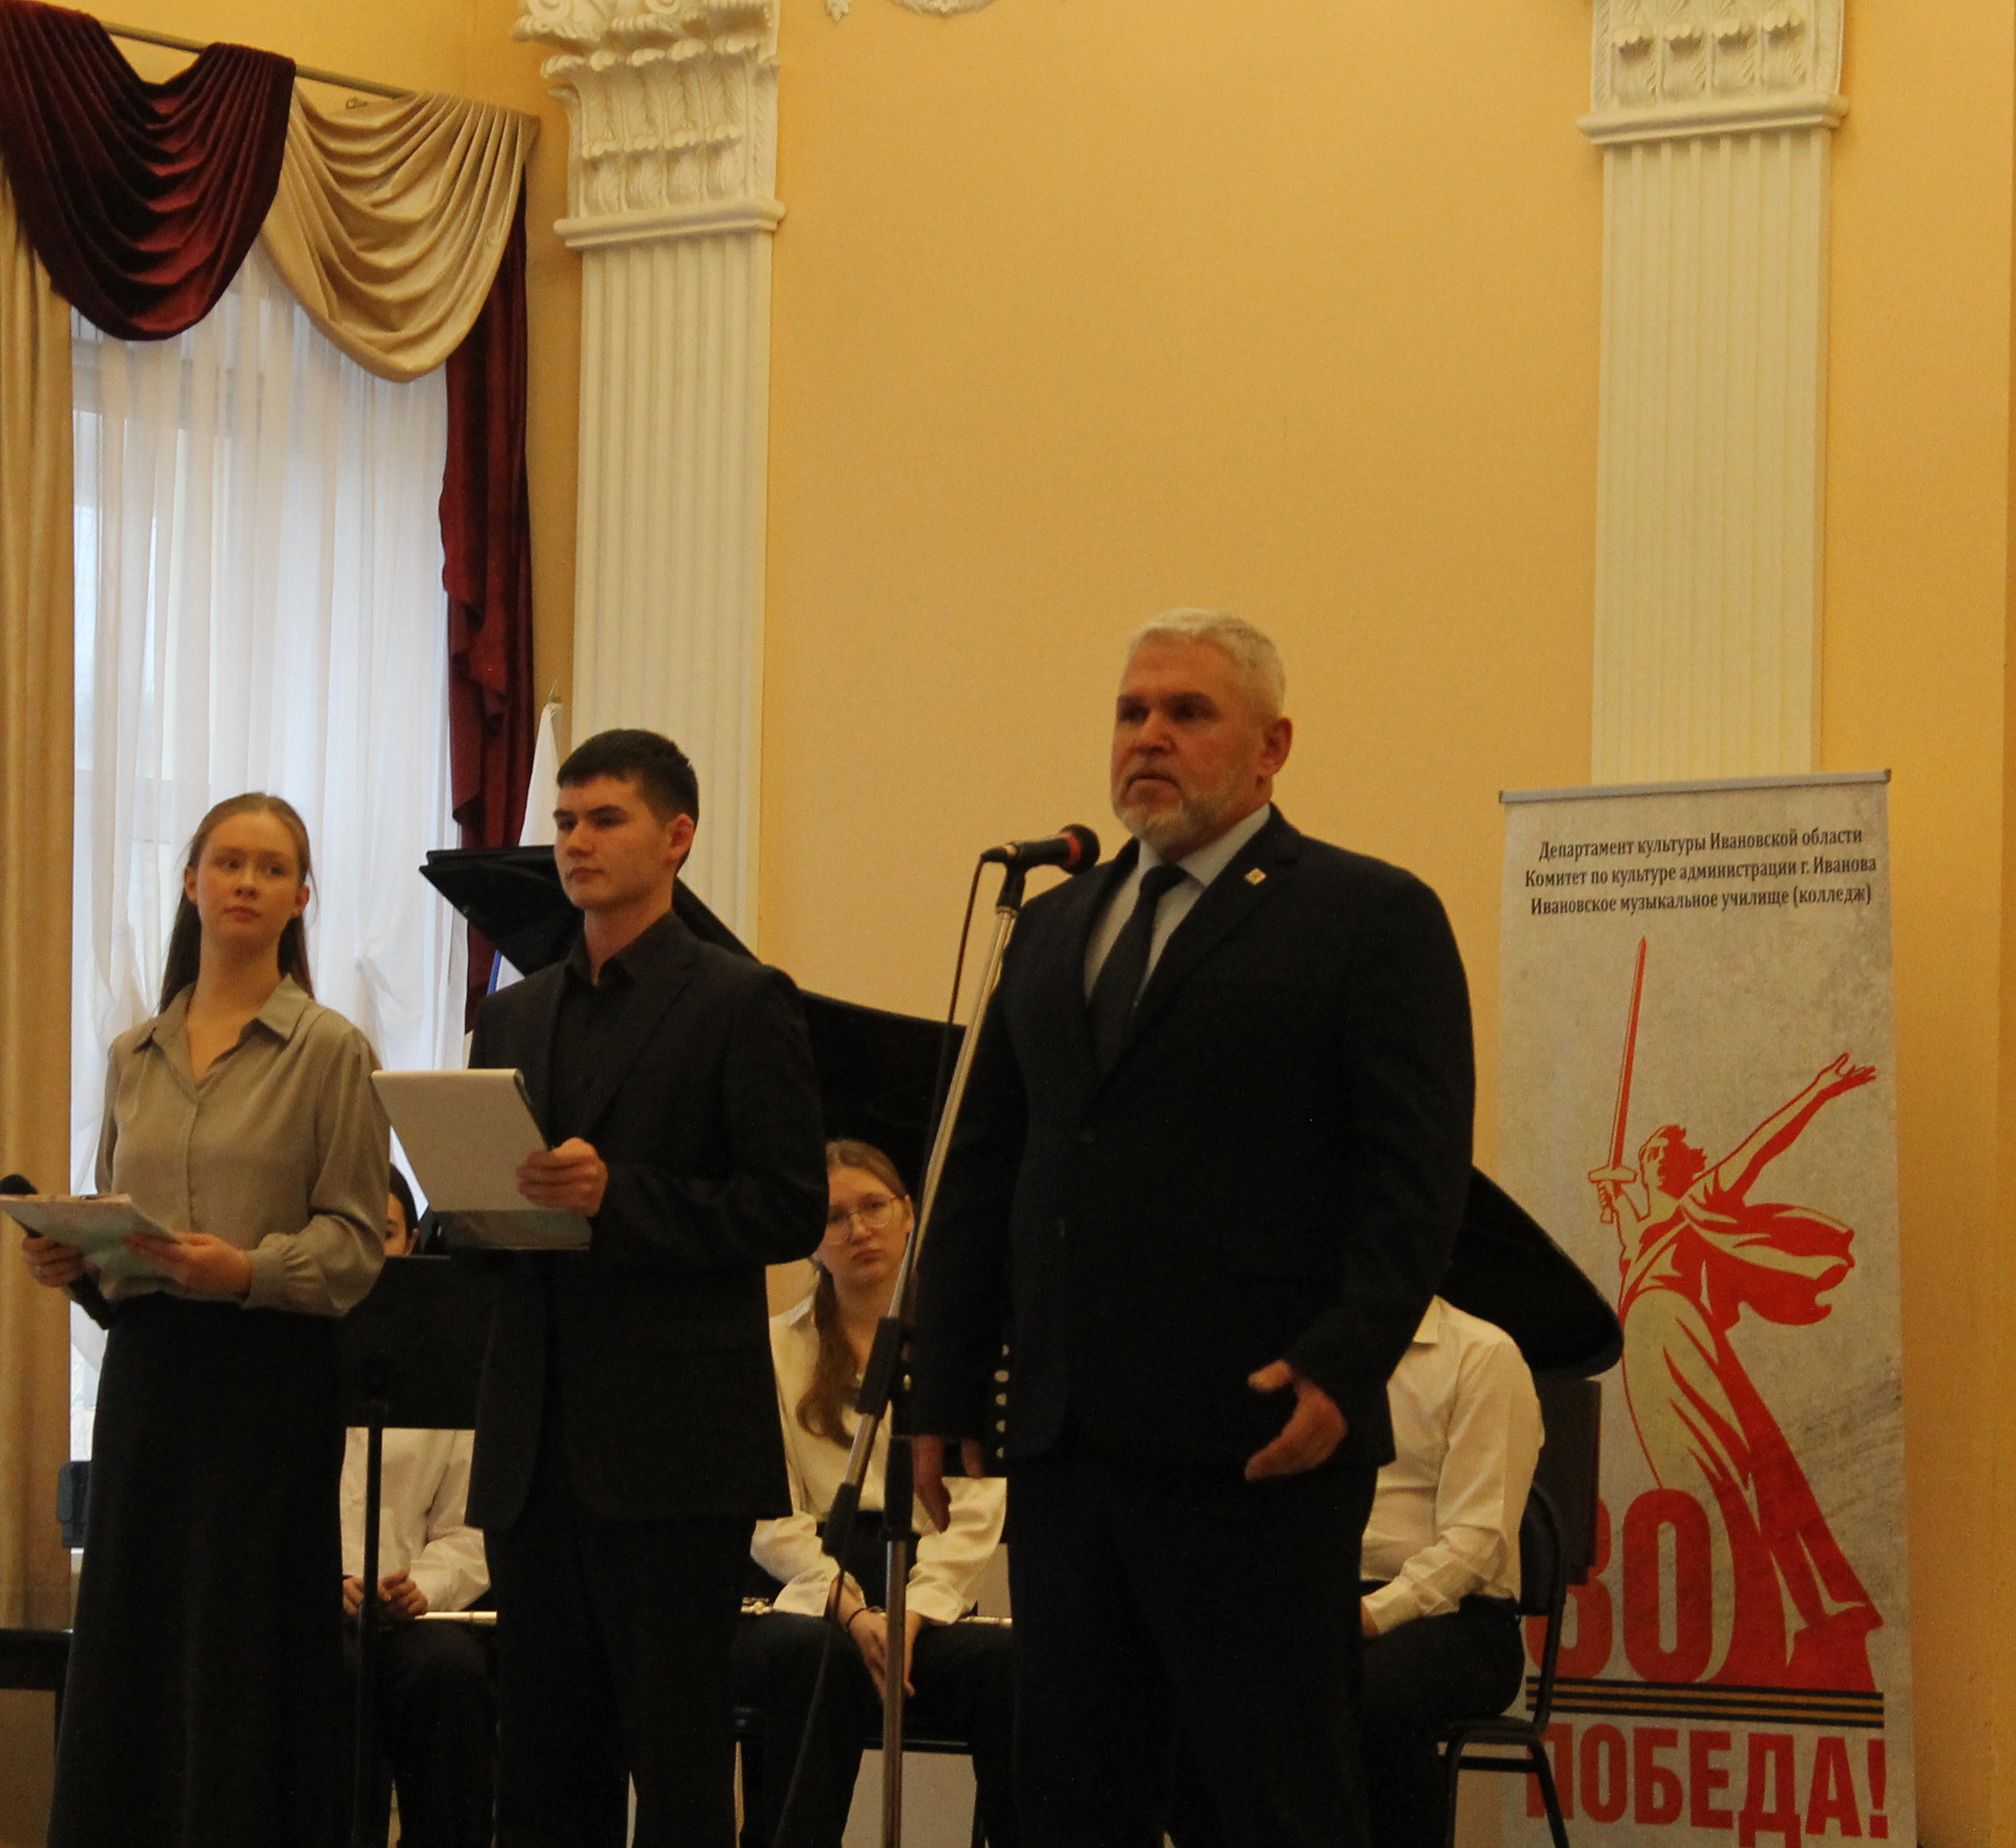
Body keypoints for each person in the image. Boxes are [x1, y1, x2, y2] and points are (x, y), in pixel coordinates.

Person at [908, 610, 1476, 1848]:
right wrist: (943, 1376)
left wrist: (1346, 1359)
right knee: (1071, 1795)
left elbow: (1417, 1178)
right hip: (1067, 1442)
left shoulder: (1366, 915)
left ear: (1271, 747)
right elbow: (985, 1167)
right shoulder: (1053, 923)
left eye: (1186, 712)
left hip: (1258, 1436)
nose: (1149, 735)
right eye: (1131, 711)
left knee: (1269, 1799)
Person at [464, 728, 829, 1847]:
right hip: (533, 1445)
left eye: (604, 819)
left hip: (675, 1451)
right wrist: (462, 1202)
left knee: (676, 1767)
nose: (575, 842)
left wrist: (617, 1196)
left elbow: (787, 1208)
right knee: (540, 1767)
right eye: (565, 822)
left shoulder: (742, 1000)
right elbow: (488, 1217)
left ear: (676, 838)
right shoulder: (513, 1013)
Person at [19, 793, 391, 1848]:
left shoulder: (331, 1049)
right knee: (134, 1636)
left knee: (242, 1646)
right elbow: (121, 1232)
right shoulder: (133, 1053)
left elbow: (356, 1243)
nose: (246, 883)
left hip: (268, 1382)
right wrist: (73, 1258)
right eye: (228, 862)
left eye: (271, 869)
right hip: (149, 1377)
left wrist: (248, 1270)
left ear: (300, 897)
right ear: (190, 882)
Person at [736, 1140, 1017, 1848]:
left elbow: (976, 1506)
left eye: (874, 1207)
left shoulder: (963, 1349)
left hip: (925, 1597)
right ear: (811, 1238)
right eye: (835, 1217)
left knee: (1010, 1669)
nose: (859, 1228)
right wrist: (854, 1610)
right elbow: (769, 1511)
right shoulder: (773, 1349)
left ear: (909, 1214)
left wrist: (911, 1617)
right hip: (812, 1593)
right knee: (815, 1661)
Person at [1589, 1054, 1881, 1691]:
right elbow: (1630, 1229)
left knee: (1732, 1471)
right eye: (1652, 1150)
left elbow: (1762, 1146)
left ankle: (1775, 1619)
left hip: (1682, 1337)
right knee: (1684, 1480)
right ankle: (1728, 1621)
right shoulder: (1640, 1232)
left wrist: (1817, 1091)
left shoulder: (1702, 1198)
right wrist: (1612, 1192)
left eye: (1666, 1149)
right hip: (1644, 1354)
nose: (1657, 1154)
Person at [1351, 1296, 1542, 1848]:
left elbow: (1476, 1544)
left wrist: (1371, 1614)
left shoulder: (1483, 1353)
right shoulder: (1308, 1354)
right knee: (1196, 1677)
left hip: (1462, 1622)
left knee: (1370, 1693)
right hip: (1336, 1601)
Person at [345, 1170, 497, 1848]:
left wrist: (424, 1588)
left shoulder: (450, 1358)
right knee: (333, 1675)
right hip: (314, 1610)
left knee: (449, 1673)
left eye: (381, 1233)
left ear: (410, 1242)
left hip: (413, 1612)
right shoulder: (288, 1349)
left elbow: (469, 1527)